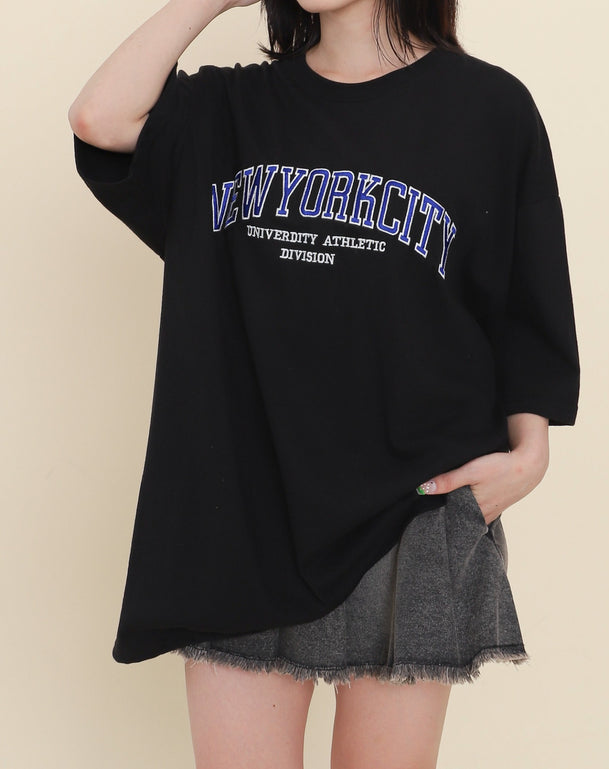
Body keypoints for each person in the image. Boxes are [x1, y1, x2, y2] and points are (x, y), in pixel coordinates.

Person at [68, 0, 580, 765]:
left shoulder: (488, 108)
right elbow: (99, 118)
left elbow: (525, 300)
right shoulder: (228, 110)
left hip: (409, 511)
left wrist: (528, 453)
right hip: (240, 512)